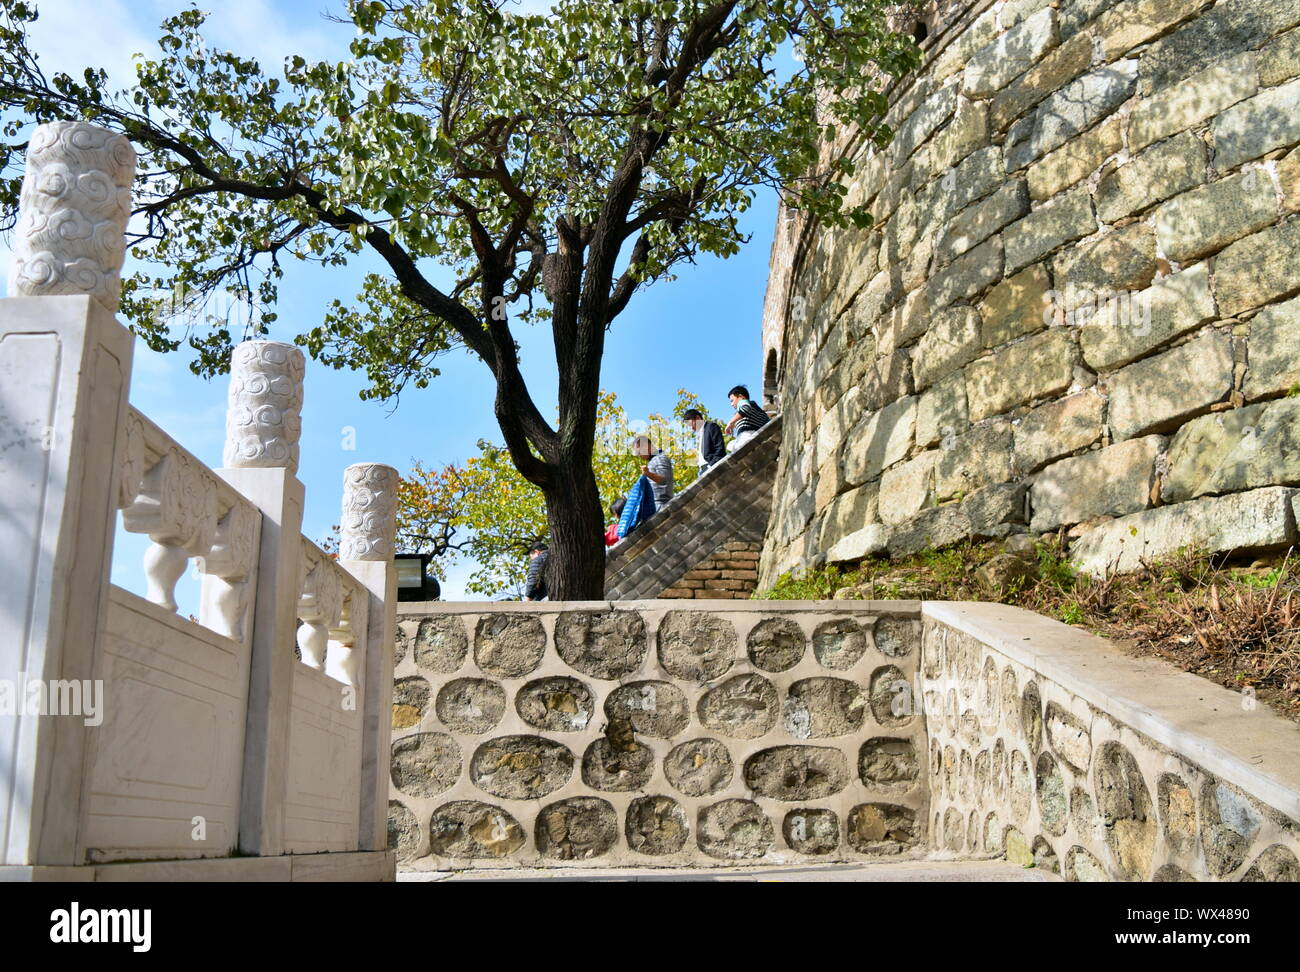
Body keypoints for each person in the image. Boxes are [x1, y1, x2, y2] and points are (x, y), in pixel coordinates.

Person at [632, 434, 673, 508]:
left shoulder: (660, 458)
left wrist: (648, 474)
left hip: (661, 505)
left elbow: (664, 480)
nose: (639, 456)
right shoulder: (654, 460)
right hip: (655, 506)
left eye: (639, 452)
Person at [724, 384, 769, 450]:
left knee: (730, 446)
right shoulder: (756, 409)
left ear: (740, 396)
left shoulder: (743, 403)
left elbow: (746, 408)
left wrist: (730, 422)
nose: (731, 404)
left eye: (732, 400)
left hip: (748, 437)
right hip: (756, 438)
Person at [683, 408, 726, 472]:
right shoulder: (699, 435)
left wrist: (711, 466)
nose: (691, 428)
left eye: (691, 424)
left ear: (697, 418)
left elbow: (720, 449)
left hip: (711, 466)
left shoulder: (711, 427)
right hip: (702, 469)